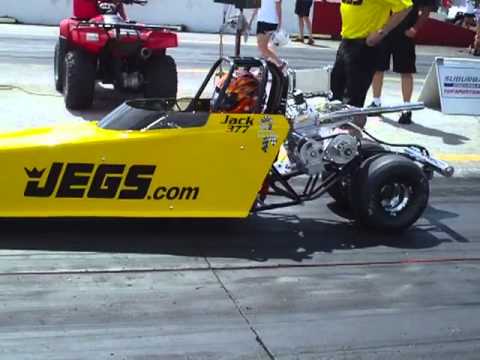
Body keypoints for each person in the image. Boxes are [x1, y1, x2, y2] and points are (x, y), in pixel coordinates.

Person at [330, 0, 413, 119]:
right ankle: (337, 134)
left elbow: (405, 7)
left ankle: (352, 134)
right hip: (346, 41)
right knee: (335, 95)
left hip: (364, 45)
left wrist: (382, 32)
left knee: (353, 101)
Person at [369, 0, 436, 124]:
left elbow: (426, 9)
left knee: (406, 70)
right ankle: (376, 103)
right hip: (384, 32)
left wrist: (415, 29)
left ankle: (406, 108)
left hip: (404, 35)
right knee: (377, 68)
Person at [249, 0, 284, 68]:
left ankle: (280, 62)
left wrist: (279, 23)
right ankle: (266, 68)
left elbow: (278, 6)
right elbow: (256, 6)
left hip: (270, 21)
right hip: (261, 21)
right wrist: (250, 20)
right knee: (263, 47)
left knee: (262, 47)